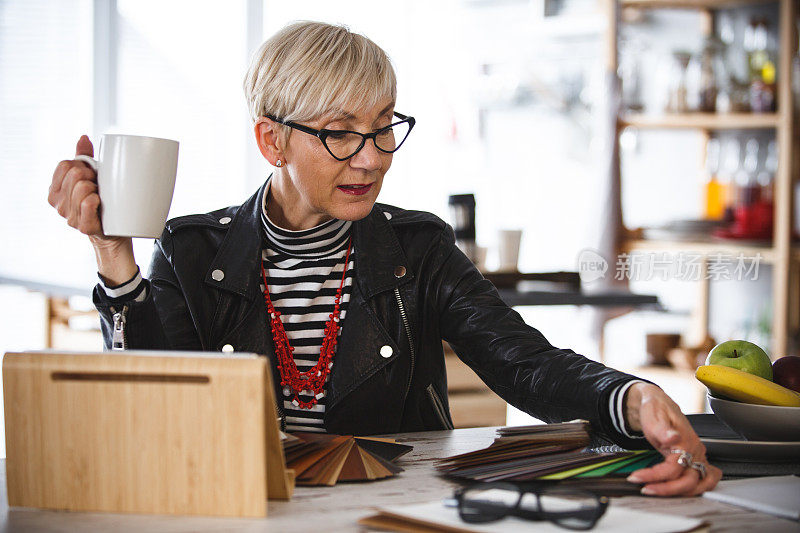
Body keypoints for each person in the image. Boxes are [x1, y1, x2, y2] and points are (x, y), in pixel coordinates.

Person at [47, 21, 721, 496]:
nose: (371, 157)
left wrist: (631, 396)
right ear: (271, 140)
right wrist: (114, 254)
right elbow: (161, 417)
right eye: (340, 133)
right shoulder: (191, 251)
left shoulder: (417, 248)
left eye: (383, 127)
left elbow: (526, 363)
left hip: (396, 518)